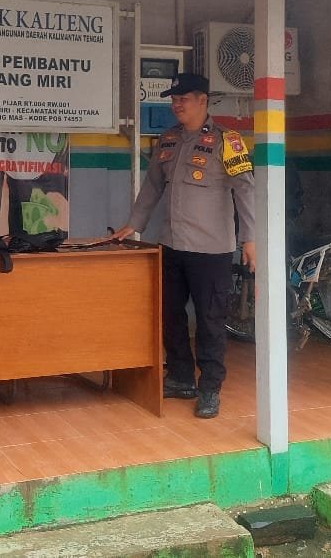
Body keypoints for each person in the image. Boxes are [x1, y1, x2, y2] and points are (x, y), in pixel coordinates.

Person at [114, 73, 256, 419]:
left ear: (202, 100)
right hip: (172, 245)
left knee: (210, 320)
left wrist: (249, 239)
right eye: (174, 99)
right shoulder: (168, 139)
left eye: (183, 99)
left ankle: (210, 387)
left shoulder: (228, 141)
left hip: (211, 250)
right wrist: (134, 224)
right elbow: (152, 187)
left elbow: (246, 190)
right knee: (170, 314)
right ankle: (180, 377)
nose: (176, 104)